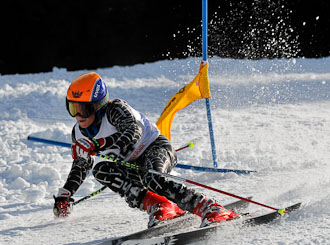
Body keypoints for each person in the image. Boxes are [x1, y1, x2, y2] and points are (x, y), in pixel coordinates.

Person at [53, 72, 239, 228]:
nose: (78, 116)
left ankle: (210, 207)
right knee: (101, 170)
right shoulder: (78, 133)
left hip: (156, 148)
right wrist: (66, 194)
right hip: (133, 165)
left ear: (98, 105)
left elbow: (132, 132)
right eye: (72, 108)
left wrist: (99, 144)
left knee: (152, 177)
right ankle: (161, 205)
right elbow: (81, 164)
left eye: (83, 110)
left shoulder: (115, 110)